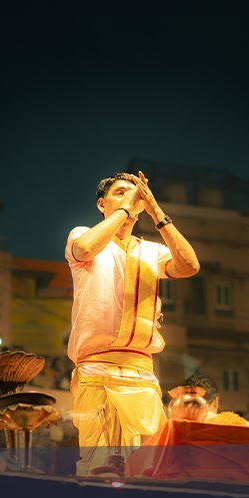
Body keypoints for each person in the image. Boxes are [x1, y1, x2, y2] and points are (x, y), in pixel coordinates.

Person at [65, 171, 200, 473]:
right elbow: (84, 249)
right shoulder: (82, 235)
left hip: (141, 372)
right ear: (102, 204)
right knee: (99, 464)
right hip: (97, 368)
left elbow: (190, 266)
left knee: (150, 465)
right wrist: (127, 207)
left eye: (133, 192)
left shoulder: (151, 251)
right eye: (119, 192)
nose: (129, 197)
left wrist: (156, 211)